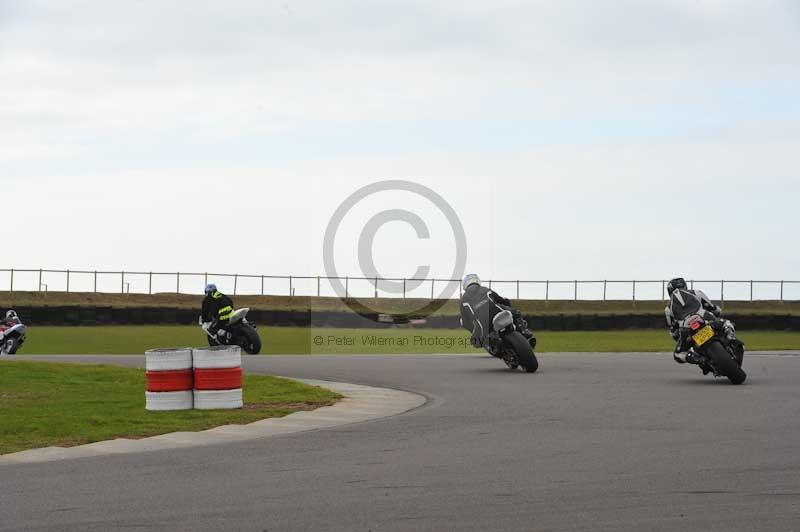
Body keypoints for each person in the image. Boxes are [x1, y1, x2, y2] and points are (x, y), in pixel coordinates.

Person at [665, 277, 743, 364]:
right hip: (705, 318)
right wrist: (717, 311)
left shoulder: (668, 309)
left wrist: (679, 338)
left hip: (687, 330)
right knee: (727, 323)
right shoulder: (696, 292)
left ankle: (700, 360)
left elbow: (673, 330)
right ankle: (730, 338)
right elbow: (712, 307)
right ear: (684, 285)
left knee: (678, 355)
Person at [459, 273, 536, 350]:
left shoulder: (463, 299)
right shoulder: (485, 289)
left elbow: (465, 321)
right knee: (516, 313)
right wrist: (507, 303)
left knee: (475, 341)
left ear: (465, 285)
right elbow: (501, 300)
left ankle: (492, 344)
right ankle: (524, 332)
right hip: (497, 311)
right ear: (477, 281)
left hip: (483, 324)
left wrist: (473, 330)